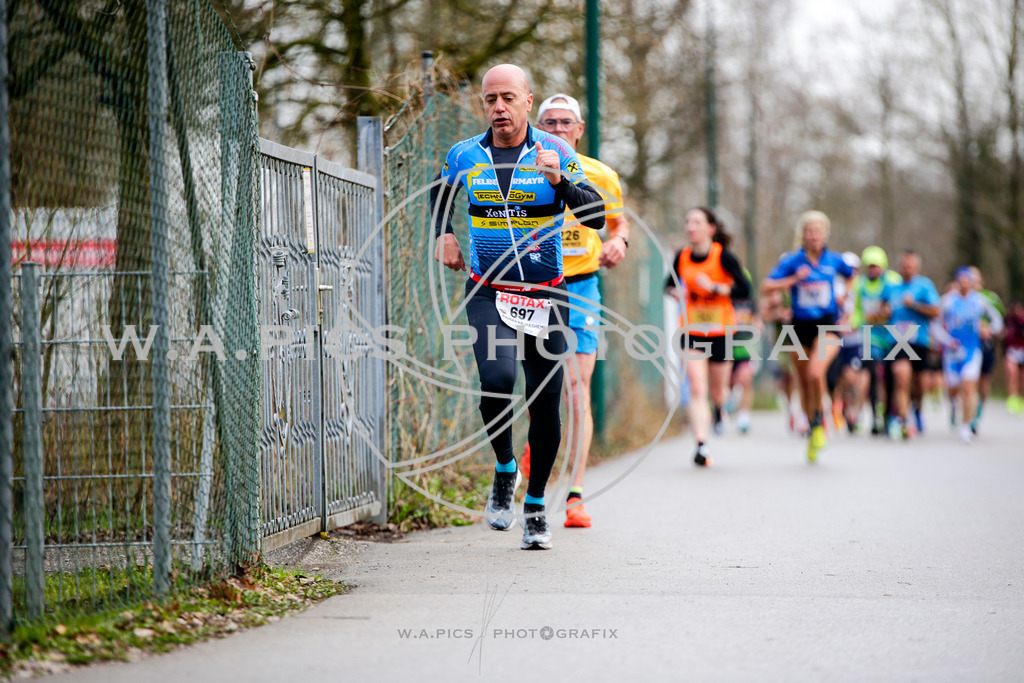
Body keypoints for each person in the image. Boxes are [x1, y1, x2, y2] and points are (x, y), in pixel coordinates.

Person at [432, 64, 604, 550]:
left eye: (508, 97)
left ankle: (534, 507)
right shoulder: (465, 154)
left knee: (546, 402)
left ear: (529, 101)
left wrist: (562, 183)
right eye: (490, 100)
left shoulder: (558, 152)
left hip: (547, 291)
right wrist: (443, 233)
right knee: (498, 380)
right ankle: (505, 466)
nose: (499, 107)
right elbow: (440, 195)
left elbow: (596, 217)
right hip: (487, 288)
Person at [518, 93, 630, 529]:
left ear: (579, 130)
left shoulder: (601, 174)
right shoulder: (517, 169)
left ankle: (576, 495)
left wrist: (620, 242)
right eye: (549, 123)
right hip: (532, 284)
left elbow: (617, 222)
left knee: (576, 386)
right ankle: (538, 440)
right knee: (538, 383)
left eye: (566, 123)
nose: (558, 130)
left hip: (580, 285)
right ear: (537, 126)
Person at [762, 211, 855, 463]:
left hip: (827, 325)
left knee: (816, 373)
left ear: (826, 234)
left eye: (818, 231)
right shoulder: (793, 261)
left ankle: (820, 419)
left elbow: (853, 276)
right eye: (809, 231)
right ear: (802, 235)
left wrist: (845, 297)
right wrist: (793, 280)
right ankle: (813, 426)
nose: (814, 236)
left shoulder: (835, 261)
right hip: (798, 327)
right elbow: (766, 286)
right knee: (804, 383)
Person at [666, 207, 751, 466]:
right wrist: (674, 292)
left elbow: (744, 290)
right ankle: (701, 445)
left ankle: (719, 410)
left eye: (697, 222)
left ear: (711, 228)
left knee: (717, 391)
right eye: (688, 221)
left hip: (721, 332)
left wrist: (714, 287)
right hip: (692, 331)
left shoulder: (723, 256)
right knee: (697, 388)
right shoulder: (681, 256)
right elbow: (668, 285)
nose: (691, 227)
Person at [934, 267, 1004, 443]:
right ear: (957, 283)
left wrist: (989, 330)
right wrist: (947, 340)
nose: (965, 285)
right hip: (952, 353)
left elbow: (998, 321)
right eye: (962, 281)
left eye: (968, 282)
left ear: (972, 283)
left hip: (972, 351)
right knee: (953, 388)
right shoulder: (948, 301)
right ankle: (954, 405)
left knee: (968, 386)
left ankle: (966, 426)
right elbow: (934, 325)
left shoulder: (980, 301)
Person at [887, 250, 941, 438]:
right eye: (904, 265)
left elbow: (936, 311)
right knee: (901, 377)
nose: (907, 268)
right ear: (899, 267)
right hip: (897, 340)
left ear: (916, 267)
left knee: (920, 383)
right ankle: (902, 420)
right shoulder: (892, 289)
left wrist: (915, 305)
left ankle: (917, 408)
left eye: (911, 265)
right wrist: (882, 312)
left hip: (919, 340)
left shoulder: (925, 286)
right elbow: (880, 312)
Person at [848, 246, 901, 435]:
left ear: (883, 266)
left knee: (890, 377)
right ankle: (872, 415)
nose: (873, 270)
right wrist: (852, 323)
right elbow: (856, 310)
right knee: (870, 372)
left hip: (892, 336)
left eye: (876, 266)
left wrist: (890, 310)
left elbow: (901, 304)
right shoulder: (859, 284)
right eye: (869, 266)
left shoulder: (893, 281)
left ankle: (888, 415)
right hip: (869, 335)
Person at [967, 266, 1006, 431]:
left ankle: (978, 412)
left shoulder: (990, 299)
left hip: (986, 346)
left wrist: (988, 330)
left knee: (983, 382)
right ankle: (966, 414)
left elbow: (1000, 324)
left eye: (975, 279)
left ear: (981, 281)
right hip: (968, 346)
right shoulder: (960, 298)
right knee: (968, 381)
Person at [1003, 300, 1024, 415]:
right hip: (1012, 351)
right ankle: (1011, 399)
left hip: (1022, 350)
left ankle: (1020, 399)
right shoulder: (1008, 319)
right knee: (1012, 374)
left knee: (1021, 378)